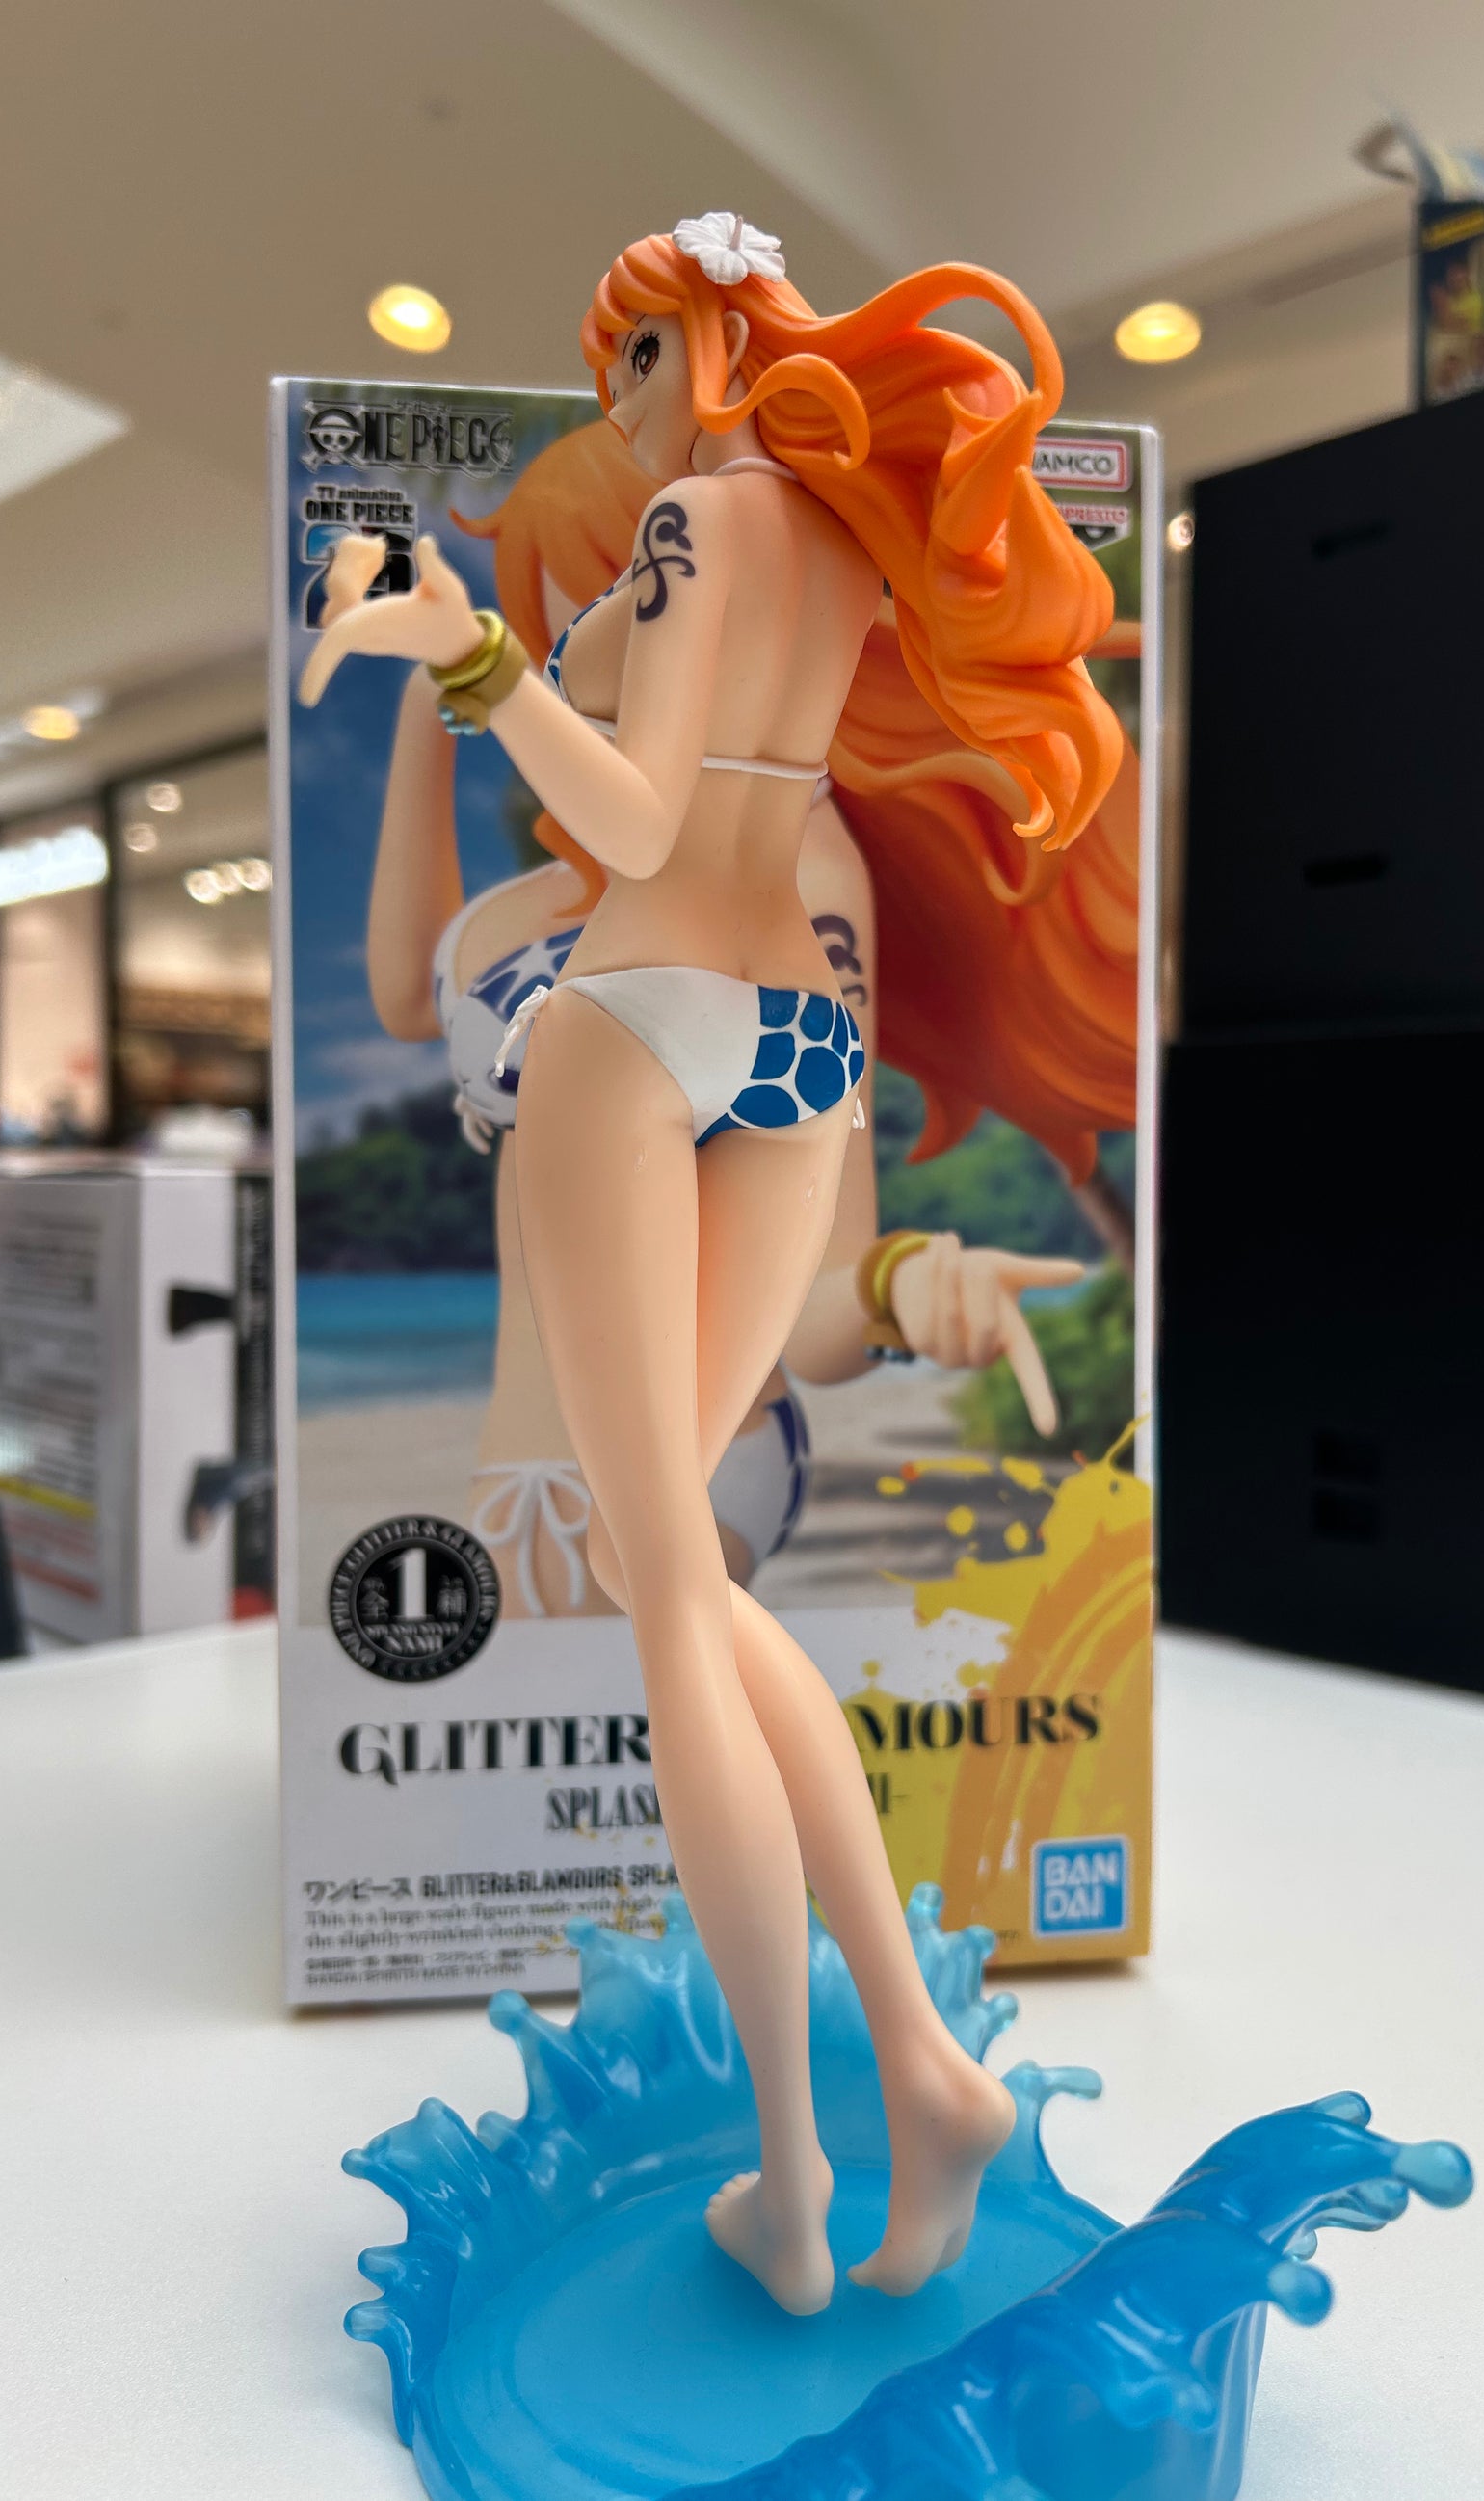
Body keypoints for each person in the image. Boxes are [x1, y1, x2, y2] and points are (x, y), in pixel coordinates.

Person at [303, 212, 1120, 2314]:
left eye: (635, 359)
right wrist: (480, 656)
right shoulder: (839, 546)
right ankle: (921, 2066)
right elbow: (684, 758)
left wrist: (475, 671)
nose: (621, 404)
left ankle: (792, 2171)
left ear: (711, 342)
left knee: (673, 1597)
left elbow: (644, 824)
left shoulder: (692, 526)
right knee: (715, 1600)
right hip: (801, 1042)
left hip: (650, 1012)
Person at [364, 412, 1139, 1611]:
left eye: (643, 608)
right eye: (567, 616)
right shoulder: (540, 895)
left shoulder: (795, 877)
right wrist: (433, 703)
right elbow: (407, 994)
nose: (603, 656)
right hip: (519, 1470)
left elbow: (813, 1294)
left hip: (702, 1455)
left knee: (672, 1675)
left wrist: (898, 1289)